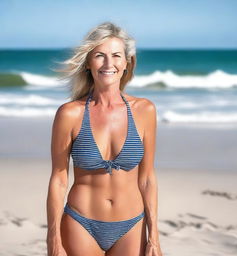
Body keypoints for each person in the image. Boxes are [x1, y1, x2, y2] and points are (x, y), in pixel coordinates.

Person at [46, 22, 162, 256]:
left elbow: (147, 178)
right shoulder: (70, 114)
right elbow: (58, 179)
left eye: (116, 55)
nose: (109, 64)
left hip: (132, 225)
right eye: (100, 55)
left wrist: (154, 237)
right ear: (88, 63)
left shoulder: (145, 110)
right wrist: (53, 240)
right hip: (81, 223)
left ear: (127, 62)